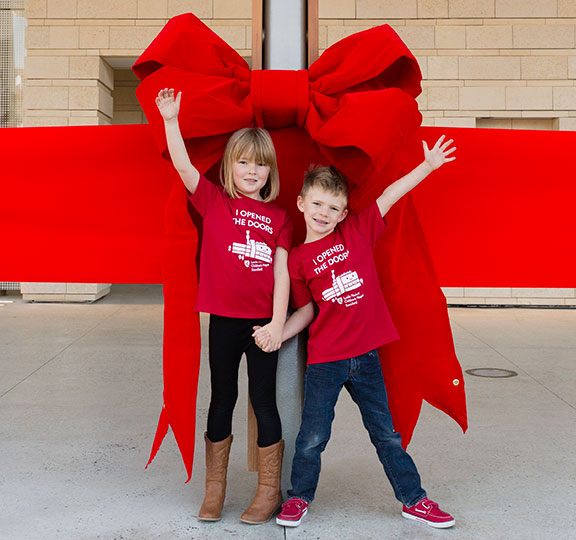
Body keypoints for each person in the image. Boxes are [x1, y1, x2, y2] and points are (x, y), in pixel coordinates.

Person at [253, 135, 457, 529]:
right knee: (312, 438)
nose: (323, 213)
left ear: (344, 214)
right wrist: (278, 334)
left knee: (387, 435)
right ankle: (299, 499)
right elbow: (307, 310)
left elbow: (390, 194)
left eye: (333, 208)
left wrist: (428, 166)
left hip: (366, 359)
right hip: (325, 361)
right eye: (317, 204)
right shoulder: (297, 260)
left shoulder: (358, 232)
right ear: (301, 204)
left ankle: (414, 499)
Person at [155, 88, 293, 524]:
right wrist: (171, 120)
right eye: (244, 161)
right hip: (223, 321)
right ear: (231, 165)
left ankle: (268, 492)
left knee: (264, 402)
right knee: (221, 399)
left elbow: (283, 274)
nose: (252, 171)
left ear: (270, 170)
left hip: (263, 327)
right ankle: (215, 491)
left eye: (260, 163)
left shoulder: (281, 217)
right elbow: (181, 165)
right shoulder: (214, 200)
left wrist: (276, 324)